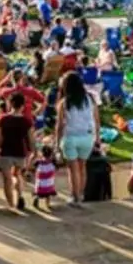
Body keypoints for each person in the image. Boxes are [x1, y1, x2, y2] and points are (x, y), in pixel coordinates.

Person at [53, 71, 98, 206]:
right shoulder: (90, 98)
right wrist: (98, 137)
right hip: (87, 136)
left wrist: (56, 143)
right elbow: (96, 120)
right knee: (82, 166)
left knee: (73, 169)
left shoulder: (64, 103)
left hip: (70, 137)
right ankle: (81, 194)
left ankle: (74, 195)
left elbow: (59, 125)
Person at [0, 92, 35, 210]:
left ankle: (11, 204)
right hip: (20, 152)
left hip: (6, 151)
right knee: (17, 174)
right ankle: (20, 195)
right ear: (23, 105)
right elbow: (30, 139)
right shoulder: (27, 121)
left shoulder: (4, 119)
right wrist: (33, 151)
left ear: (10, 104)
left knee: (7, 179)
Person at [33, 144, 57, 210]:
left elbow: (34, 166)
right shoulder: (53, 162)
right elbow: (56, 167)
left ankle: (36, 199)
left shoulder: (38, 162)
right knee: (48, 194)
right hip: (49, 183)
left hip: (40, 183)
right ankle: (48, 205)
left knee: (38, 193)